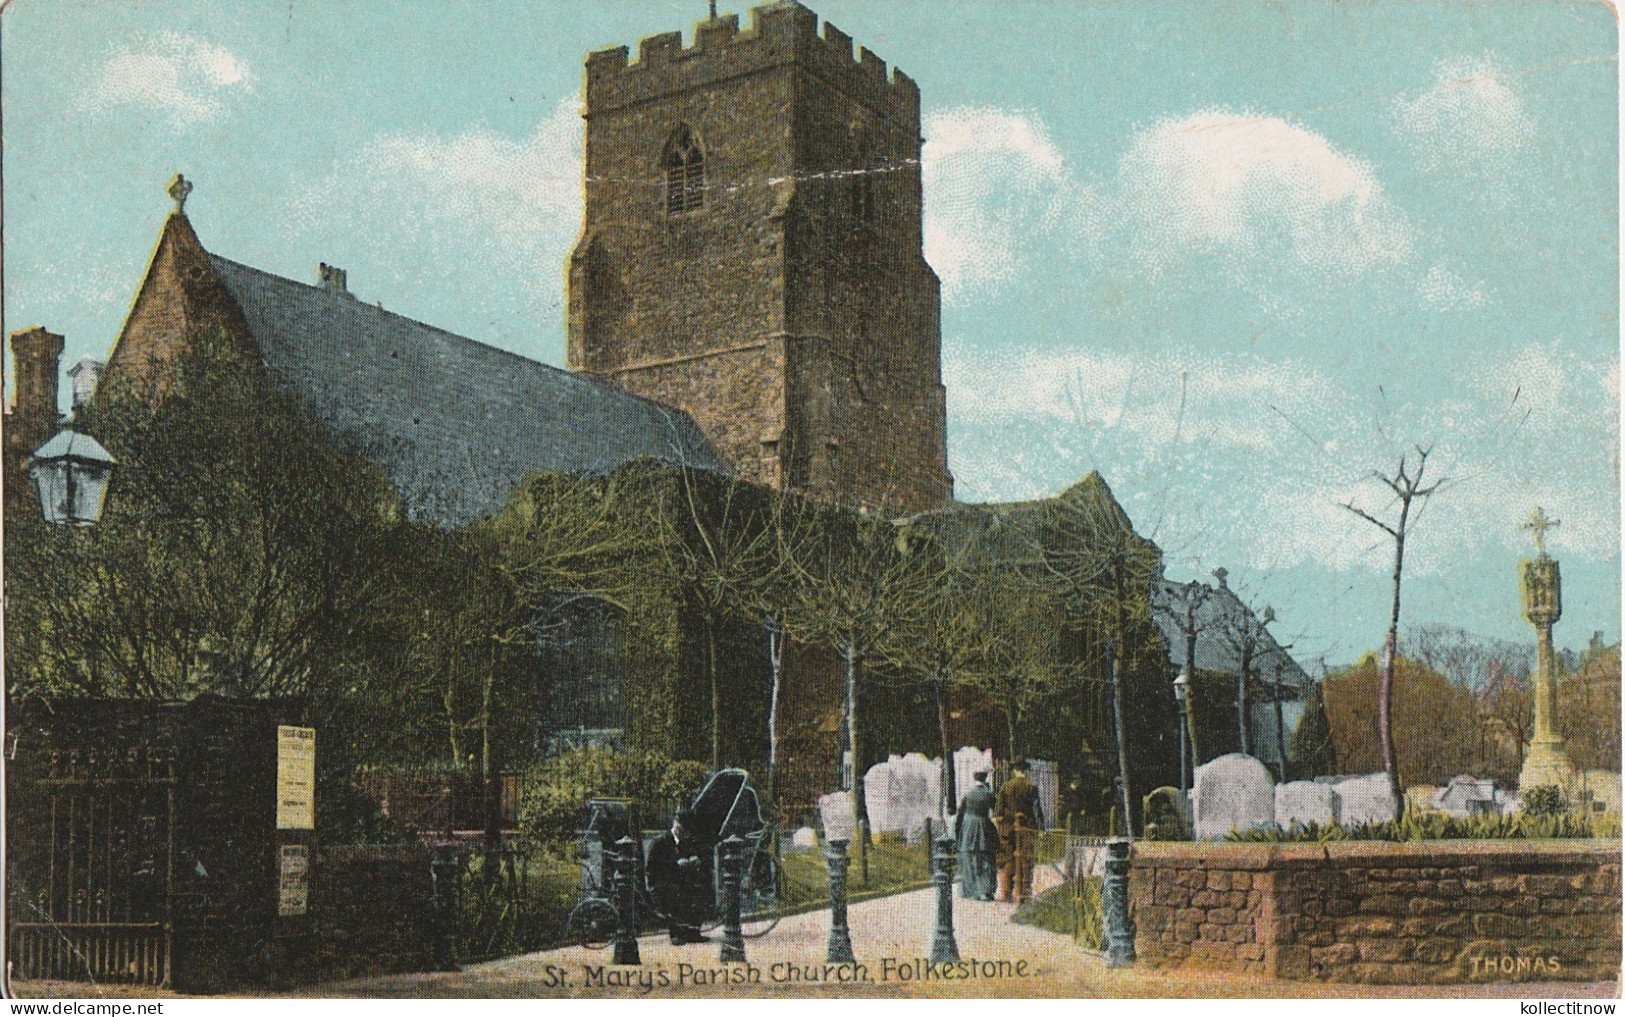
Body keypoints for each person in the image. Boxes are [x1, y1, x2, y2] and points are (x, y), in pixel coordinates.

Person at [645, 806, 711, 944]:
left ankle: (693, 930)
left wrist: (694, 859)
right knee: (676, 893)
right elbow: (651, 868)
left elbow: (693, 855)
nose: (685, 833)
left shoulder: (685, 841)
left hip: (681, 880)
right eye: (683, 828)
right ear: (676, 824)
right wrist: (675, 864)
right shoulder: (661, 841)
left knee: (699, 889)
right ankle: (676, 933)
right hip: (662, 882)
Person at [995, 760, 1044, 903]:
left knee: (1008, 859)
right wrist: (1040, 828)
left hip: (1007, 829)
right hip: (1025, 829)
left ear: (1014, 770)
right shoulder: (1031, 787)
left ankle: (1006, 892)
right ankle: (1024, 893)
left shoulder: (1006, 786)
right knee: (1026, 859)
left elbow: (998, 811)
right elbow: (1036, 809)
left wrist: (1002, 825)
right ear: (1025, 770)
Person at [954, 770, 998, 901]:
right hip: (983, 827)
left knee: (969, 858)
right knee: (985, 859)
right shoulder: (988, 794)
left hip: (968, 829)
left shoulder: (968, 794)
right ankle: (985, 891)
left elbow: (959, 815)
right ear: (985, 779)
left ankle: (970, 890)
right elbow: (997, 808)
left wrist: (958, 834)